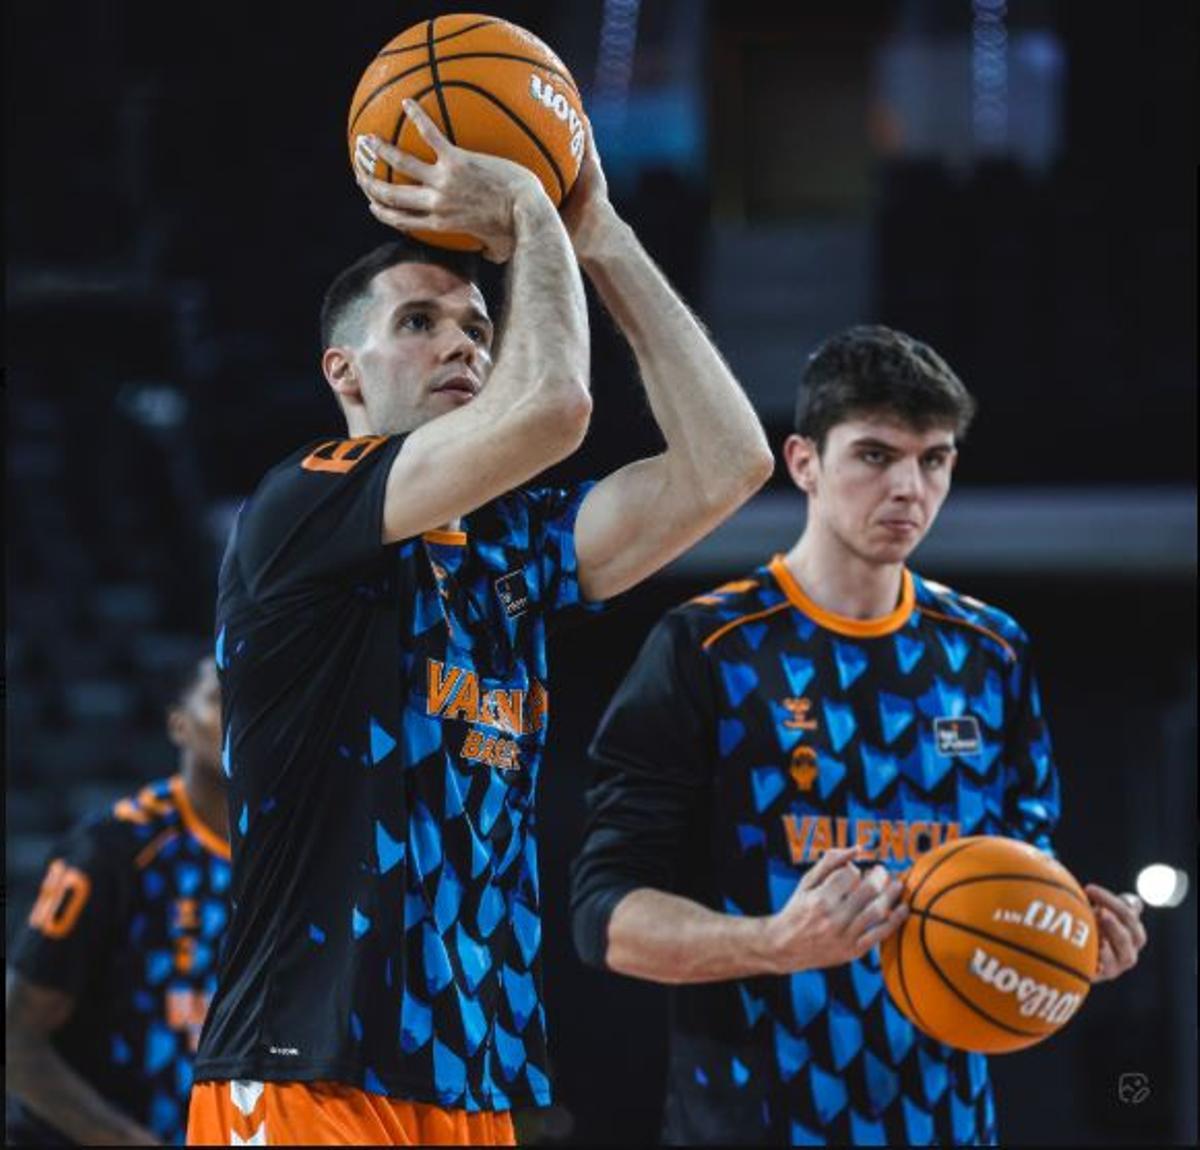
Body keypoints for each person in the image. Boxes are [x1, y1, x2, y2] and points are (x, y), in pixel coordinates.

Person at [186, 98, 773, 1147]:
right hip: (304, 1071)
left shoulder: (513, 545)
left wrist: (602, 231)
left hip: (474, 1081)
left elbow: (732, 463)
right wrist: (526, 209)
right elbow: (553, 409)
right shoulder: (306, 502)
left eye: (477, 328)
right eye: (419, 322)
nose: (460, 343)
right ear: (345, 372)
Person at [570, 325, 1149, 1146]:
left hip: (945, 1121)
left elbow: (1021, 882)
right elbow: (605, 918)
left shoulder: (990, 650)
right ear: (804, 461)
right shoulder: (706, 645)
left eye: (934, 459)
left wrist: (1071, 940)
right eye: (876, 455)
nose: (909, 487)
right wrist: (774, 942)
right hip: (754, 1121)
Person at [6, 654, 228, 1145]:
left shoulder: (293, 857)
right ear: (178, 724)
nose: (239, 716)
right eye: (218, 698)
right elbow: (15, 1040)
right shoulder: (113, 849)